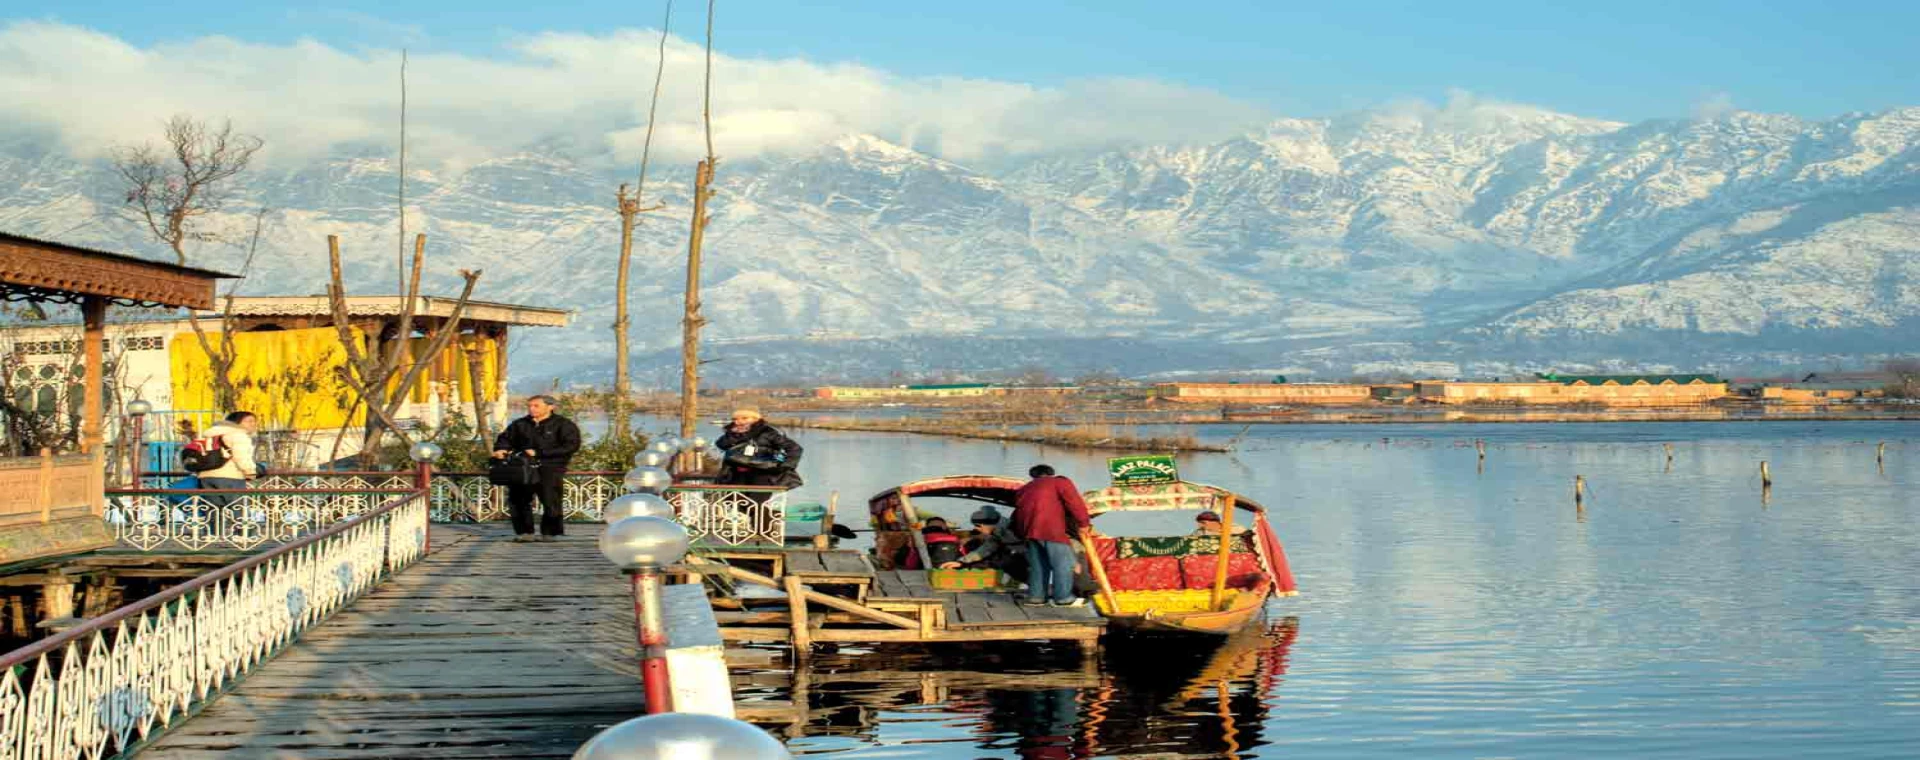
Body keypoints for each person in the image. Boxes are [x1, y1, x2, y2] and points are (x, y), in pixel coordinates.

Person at [491, 395, 582, 543]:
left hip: (551, 467)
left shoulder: (564, 424)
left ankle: (550, 533)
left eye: (536, 406)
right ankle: (524, 533)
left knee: (551, 500)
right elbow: (505, 439)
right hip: (523, 467)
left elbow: (571, 446)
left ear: (550, 407)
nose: (531, 409)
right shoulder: (520, 424)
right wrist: (501, 449)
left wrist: (540, 453)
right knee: (518, 500)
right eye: (529, 406)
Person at [1010, 464, 1091, 607]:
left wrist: (1023, 534)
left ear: (1033, 476)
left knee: (1039, 566)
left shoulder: (1024, 489)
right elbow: (1075, 503)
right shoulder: (1060, 482)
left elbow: (1017, 514)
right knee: (1063, 564)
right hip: (1051, 529)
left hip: (1029, 532)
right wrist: (1084, 523)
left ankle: (1036, 597)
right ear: (1051, 473)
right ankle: (1063, 598)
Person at [715, 407, 803, 490]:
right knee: (732, 499)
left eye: (744, 418)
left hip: (762, 473)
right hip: (734, 473)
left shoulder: (767, 432)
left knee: (756, 499)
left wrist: (785, 466)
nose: (739, 422)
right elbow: (721, 444)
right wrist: (735, 435)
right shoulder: (732, 433)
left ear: (756, 419)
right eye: (735, 419)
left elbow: (794, 448)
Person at [942, 506, 1027, 581]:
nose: (976, 528)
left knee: (1006, 561)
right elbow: (984, 550)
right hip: (1020, 562)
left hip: (1028, 561)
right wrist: (962, 562)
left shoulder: (1016, 528)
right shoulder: (996, 534)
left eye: (978, 525)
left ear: (989, 524)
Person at [196, 411, 261, 508]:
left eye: (254, 421)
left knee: (214, 510)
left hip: (206, 477)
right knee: (237, 509)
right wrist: (250, 472)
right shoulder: (238, 435)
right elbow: (241, 456)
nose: (253, 424)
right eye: (248, 421)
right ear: (236, 422)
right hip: (230, 476)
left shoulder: (211, 435)